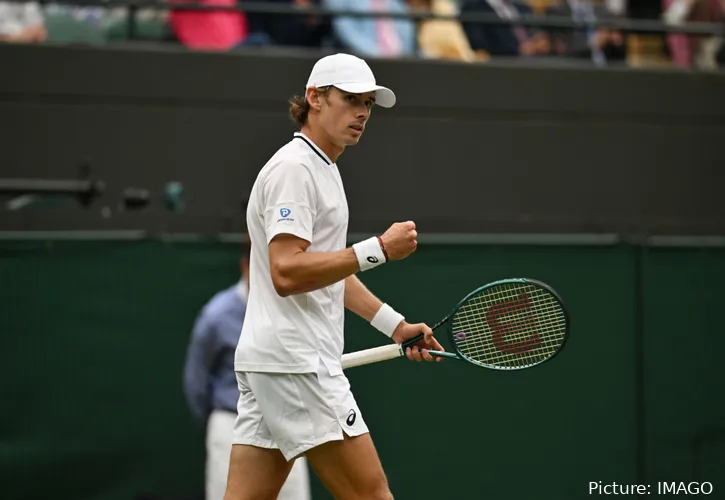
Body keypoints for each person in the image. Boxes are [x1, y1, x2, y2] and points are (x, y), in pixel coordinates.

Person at [224, 53, 445, 500]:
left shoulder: (323, 167)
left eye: (367, 103)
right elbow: (287, 271)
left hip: (277, 362)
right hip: (297, 363)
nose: (362, 113)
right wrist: (378, 250)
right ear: (315, 98)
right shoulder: (295, 169)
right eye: (350, 100)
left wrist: (394, 326)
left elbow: (328, 272)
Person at [183, 244, 311, 500]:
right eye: (262, 267)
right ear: (245, 266)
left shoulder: (296, 310)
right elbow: (196, 382)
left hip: (288, 424)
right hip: (232, 424)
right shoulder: (216, 316)